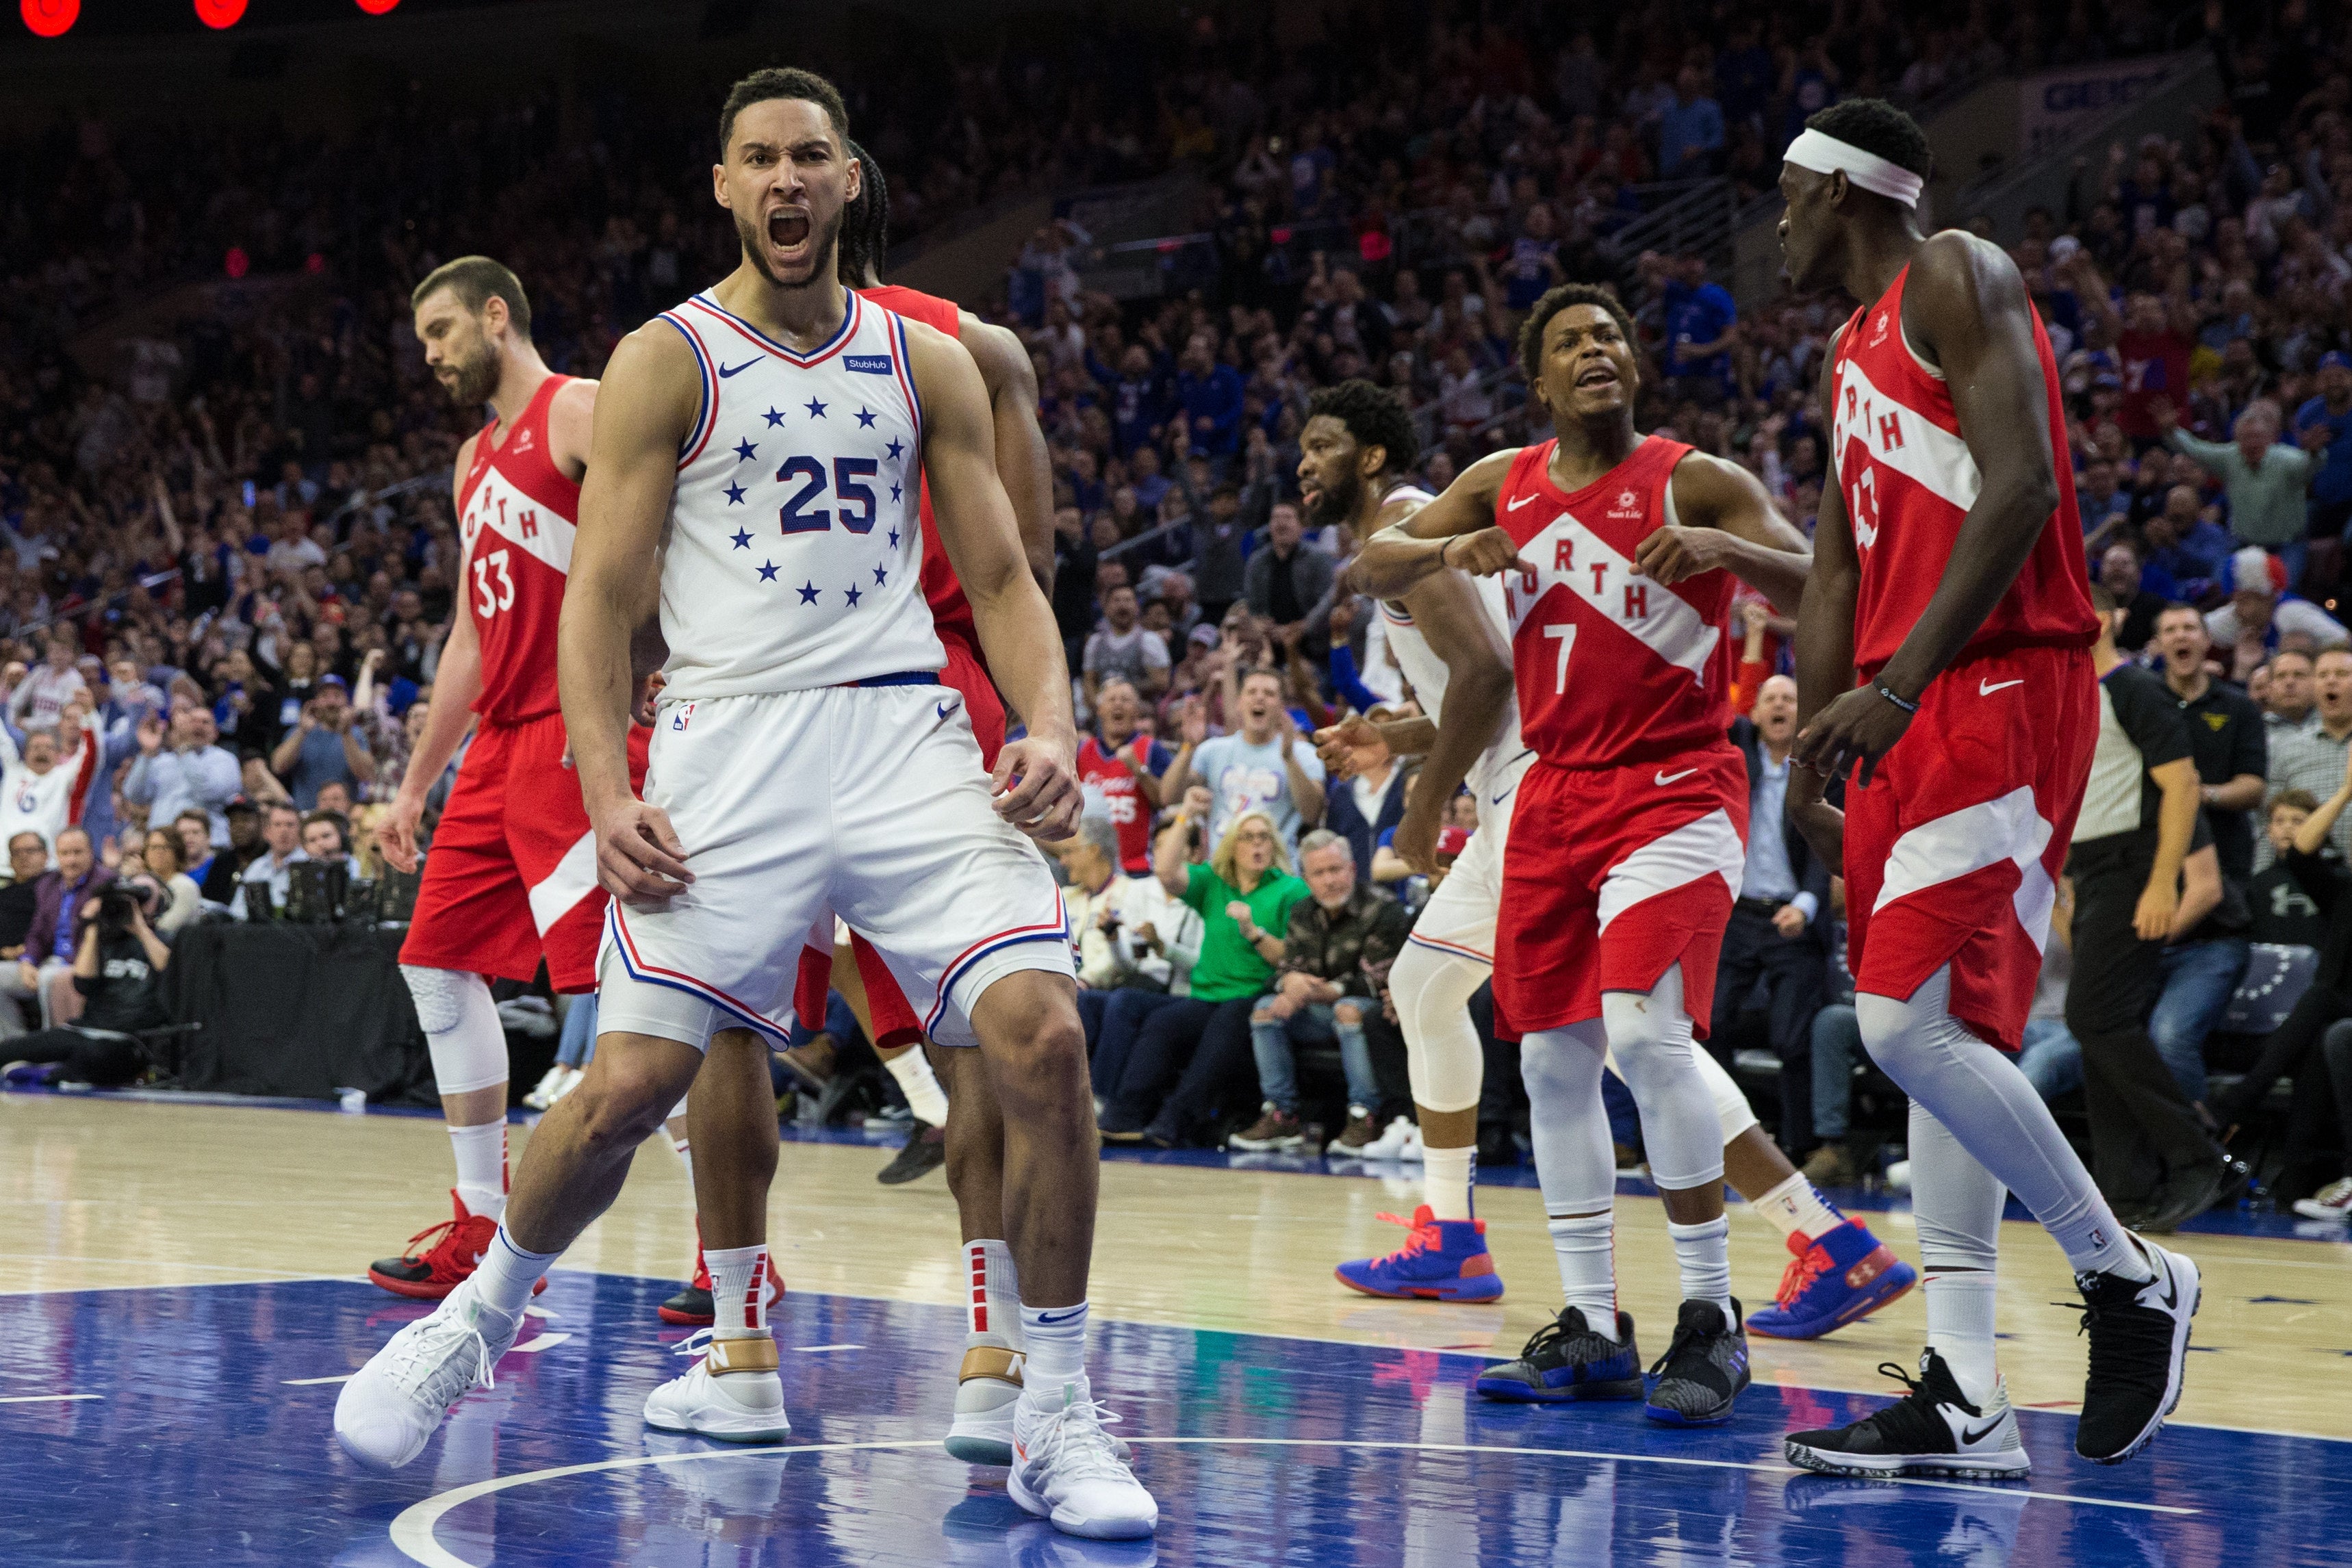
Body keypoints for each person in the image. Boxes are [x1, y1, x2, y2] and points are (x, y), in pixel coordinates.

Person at [336, 70, 1154, 1541]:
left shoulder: (929, 360)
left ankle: (1053, 1402)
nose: (786, 181)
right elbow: (599, 602)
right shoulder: (665, 360)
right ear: (723, 182)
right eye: (759, 159)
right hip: (729, 743)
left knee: (1039, 1037)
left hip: (906, 732)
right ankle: (473, 1319)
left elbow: (1011, 578)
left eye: (812, 157)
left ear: (848, 179)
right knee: (631, 1082)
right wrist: (605, 786)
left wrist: (1047, 726)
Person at [1772, 98, 2197, 1478]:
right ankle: (1965, 1393)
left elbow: (2017, 489)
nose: (1774, 220)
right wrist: (1813, 747)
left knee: (1893, 1020)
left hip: (1998, 681)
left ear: (1840, 191)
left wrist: (1892, 693)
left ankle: (2125, 1272)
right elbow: (1834, 566)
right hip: (1900, 709)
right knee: (1937, 1042)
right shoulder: (1842, 351)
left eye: (1787, 194)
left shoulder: (1954, 270)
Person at [1353, 270, 1819, 1427]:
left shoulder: (1693, 477)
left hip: (1674, 787)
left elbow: (1821, 586)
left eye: (1610, 333)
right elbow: (1371, 561)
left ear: (1635, 363)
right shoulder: (1498, 485)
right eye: (1569, 340)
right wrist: (1441, 556)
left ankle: (1710, 1317)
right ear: (1539, 376)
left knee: (1644, 1038)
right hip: (1554, 796)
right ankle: (1594, 1325)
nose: (1594, 348)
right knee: (1553, 1063)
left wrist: (1713, 542)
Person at [350, 255, 683, 1315]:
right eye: (424, 342)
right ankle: (480, 1219)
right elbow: (465, 639)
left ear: (499, 315)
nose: (434, 354)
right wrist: (413, 786)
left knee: (641, 993)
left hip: (575, 730)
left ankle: (735, 1251)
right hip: (497, 746)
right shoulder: (468, 462)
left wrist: (666, 652)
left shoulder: (582, 408)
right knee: (437, 965)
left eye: (444, 331)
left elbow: (672, 538)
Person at [2065, 587, 2235, 1223]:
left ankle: (2196, 1156)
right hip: (2093, 870)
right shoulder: (2074, 695)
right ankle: (2126, 1188)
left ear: (2107, 619)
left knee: (2095, 1019)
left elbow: (2183, 785)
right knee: (2099, 1028)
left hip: (2134, 864)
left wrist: (2164, 882)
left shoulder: (2135, 688)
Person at [1112, 809, 1309, 1146]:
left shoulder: (1291, 890)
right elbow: (1165, 871)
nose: (1258, 845)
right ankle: (1124, 1116)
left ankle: (1175, 1122)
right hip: (1205, 996)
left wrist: (1253, 931)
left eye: (1264, 837)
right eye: (1248, 838)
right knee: (1163, 1023)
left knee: (1224, 1030)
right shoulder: (1213, 883)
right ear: (1232, 846)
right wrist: (1185, 814)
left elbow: (1292, 958)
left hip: (1253, 994)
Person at [1229, 830, 1407, 1153]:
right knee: (1266, 1009)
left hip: (1372, 1012)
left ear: (1352, 869)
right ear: (1307, 879)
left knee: (1348, 1009)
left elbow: (1379, 978)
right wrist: (1290, 984)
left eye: (1335, 870)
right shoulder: (1302, 912)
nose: (1329, 881)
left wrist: (1325, 990)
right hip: (1317, 1010)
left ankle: (1365, 1115)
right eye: (1319, 873)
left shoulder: (1384, 910)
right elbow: (1287, 967)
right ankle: (1281, 1114)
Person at [1715, 674, 1833, 1151]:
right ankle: (1724, 1138)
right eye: (1771, 699)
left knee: (1793, 1037)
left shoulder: (1820, 768)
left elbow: (1828, 851)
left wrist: (1805, 905)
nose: (1780, 706)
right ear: (1756, 713)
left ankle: (1797, 1147)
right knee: (1711, 1022)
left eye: (1790, 698)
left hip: (1794, 915)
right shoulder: (1739, 756)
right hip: (1739, 915)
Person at [0, 877, 170, 1089]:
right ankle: (44, 1073)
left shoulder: (167, 940)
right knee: (8, 1050)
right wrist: (92, 927)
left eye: (142, 896)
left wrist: (141, 928)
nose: (133, 904)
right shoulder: (108, 941)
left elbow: (171, 972)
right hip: (86, 1030)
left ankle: (47, 1075)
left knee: (93, 1055)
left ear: (160, 903)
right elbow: (82, 983)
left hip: (131, 1040)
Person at [1161, 667, 1326, 851]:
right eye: (1251, 692)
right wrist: (1188, 747)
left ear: (1281, 706)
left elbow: (1312, 813)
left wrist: (1289, 758)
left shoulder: (1303, 754)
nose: (1260, 697)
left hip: (1277, 873)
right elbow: (1169, 797)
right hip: (1222, 871)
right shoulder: (1213, 750)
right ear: (1239, 702)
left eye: (1269, 693)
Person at [18, 827, 112, 1028]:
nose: (71, 860)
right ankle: (13, 1045)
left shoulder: (105, 883)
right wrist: (27, 961)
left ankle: (50, 1045)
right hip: (49, 961)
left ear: (90, 853)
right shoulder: (47, 885)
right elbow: (37, 932)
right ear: (56, 856)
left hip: (83, 963)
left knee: (49, 978)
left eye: (77, 853)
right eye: (65, 853)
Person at [1074, 680, 1169, 877]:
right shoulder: (1082, 751)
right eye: (1111, 700)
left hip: (1138, 868)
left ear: (1136, 710)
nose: (1118, 704)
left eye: (1125, 700)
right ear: (1099, 709)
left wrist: (1137, 768)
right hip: (1093, 870)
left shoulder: (1152, 749)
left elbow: (1163, 800)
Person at [121, 706, 241, 848]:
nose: (198, 726)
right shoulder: (163, 760)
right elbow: (134, 794)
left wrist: (184, 750)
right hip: (164, 844)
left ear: (215, 732)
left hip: (208, 847)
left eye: (205, 722)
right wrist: (147, 753)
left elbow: (210, 792)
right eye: (193, 721)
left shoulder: (225, 760)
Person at [268, 675, 376, 810]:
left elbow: (366, 774)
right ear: (315, 702)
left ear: (346, 701)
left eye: (337, 696)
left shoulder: (356, 734)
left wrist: (346, 734)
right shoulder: (299, 732)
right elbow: (278, 767)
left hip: (344, 816)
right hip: (307, 815)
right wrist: (302, 731)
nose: (331, 702)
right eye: (325, 696)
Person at [1081, 585, 1170, 706]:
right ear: (1106, 608)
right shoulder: (1095, 642)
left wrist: (1123, 689)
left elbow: (1161, 682)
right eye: (1117, 600)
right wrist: (1099, 707)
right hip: (1103, 711)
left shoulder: (1150, 640)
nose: (1122, 605)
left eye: (1127, 600)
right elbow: (1089, 682)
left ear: (1137, 607)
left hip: (1140, 711)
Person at [231, 804, 307, 921]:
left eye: (290, 825)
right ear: (267, 832)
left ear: (300, 831)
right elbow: (237, 911)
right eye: (277, 825)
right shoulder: (256, 867)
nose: (284, 831)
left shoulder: (309, 866)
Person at [140, 828, 203, 939]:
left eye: (166, 847)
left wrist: (137, 925)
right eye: (153, 847)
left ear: (177, 852)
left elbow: (166, 928)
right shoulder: (142, 883)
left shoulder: (185, 886)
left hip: (174, 948)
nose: (159, 852)